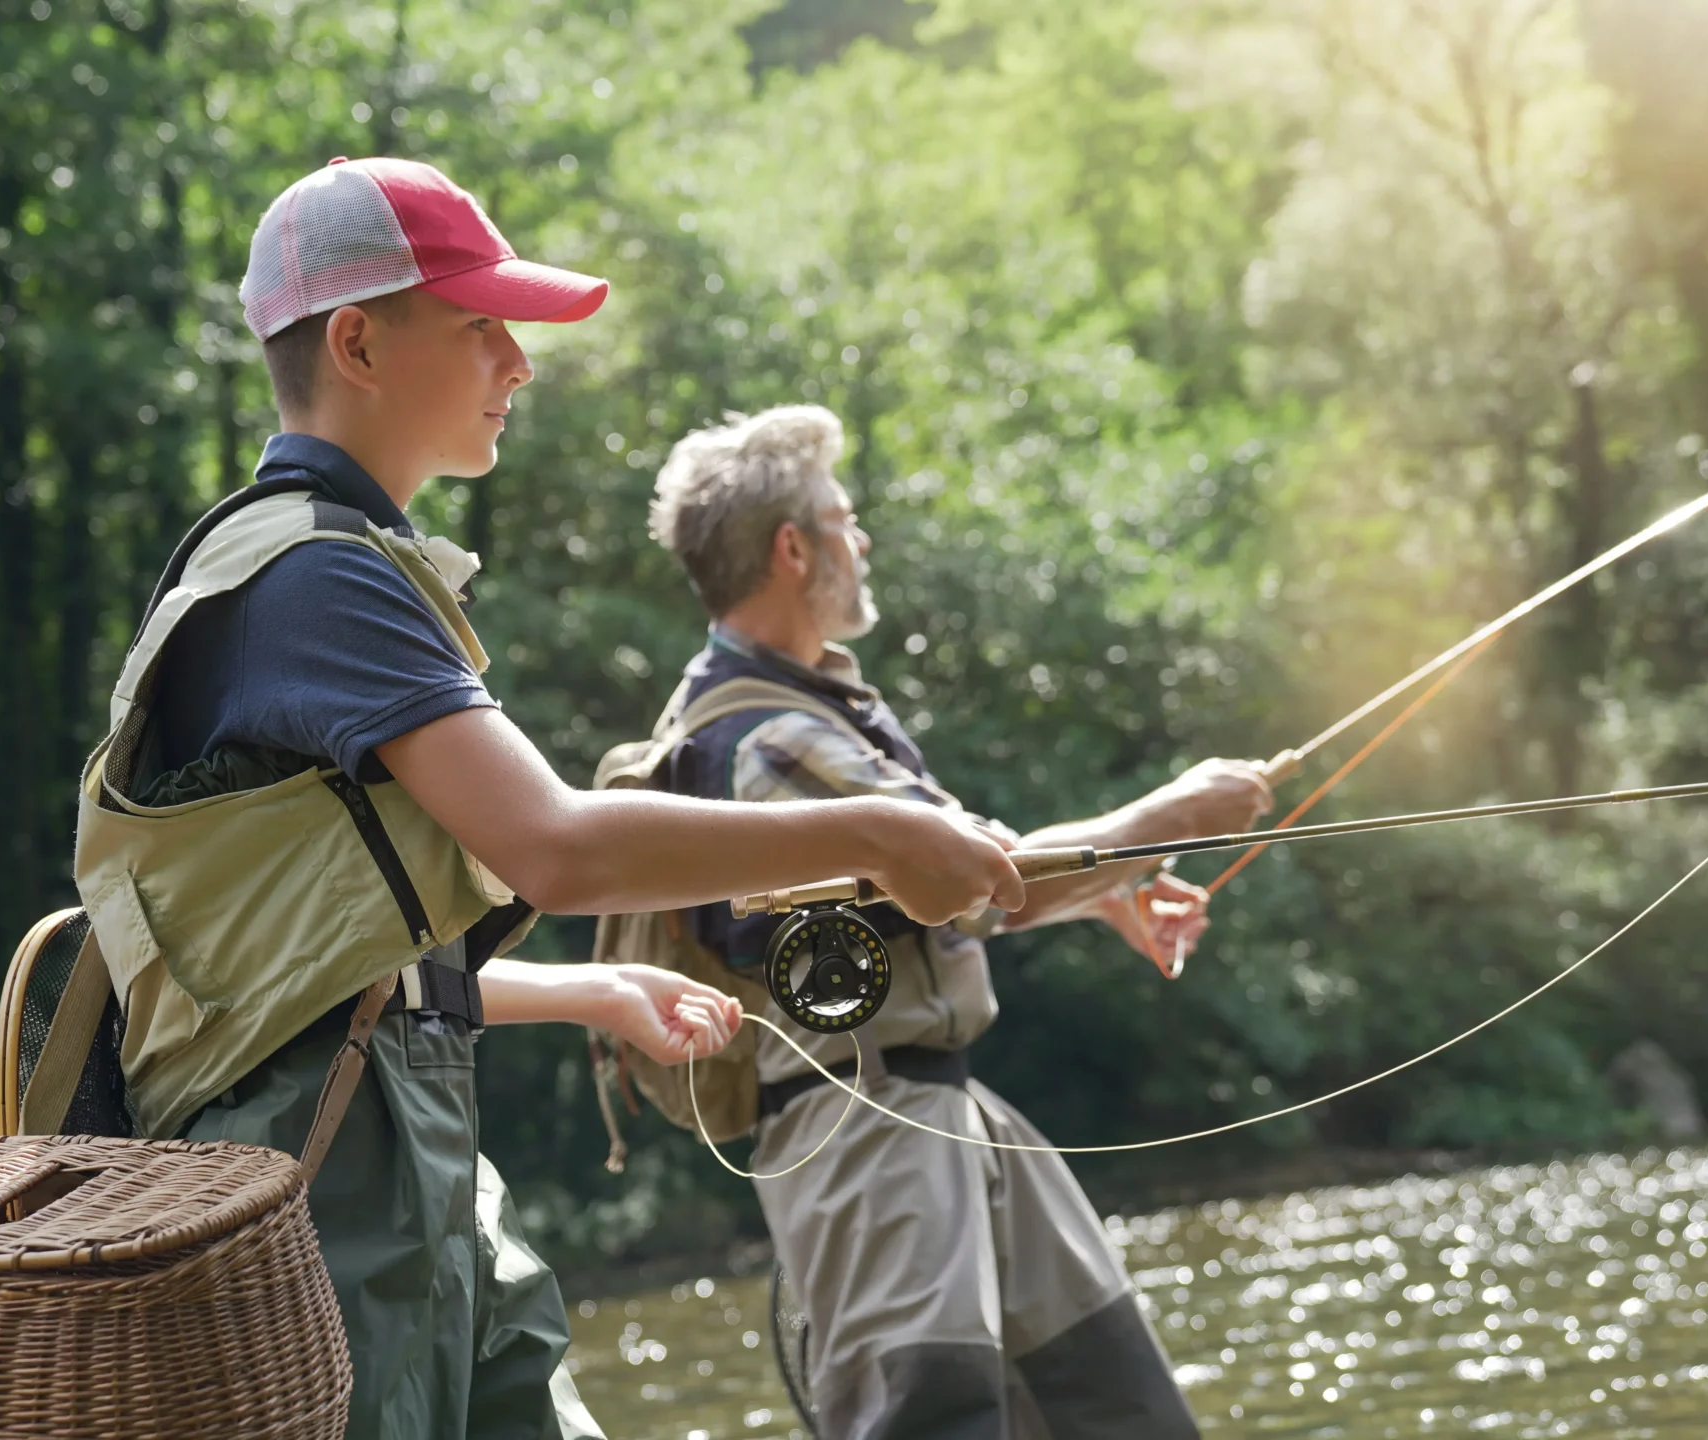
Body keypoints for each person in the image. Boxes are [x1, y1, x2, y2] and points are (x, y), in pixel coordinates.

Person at [70, 161, 1025, 1440]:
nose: (517, 362)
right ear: (357, 341)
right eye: (480, 327)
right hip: (313, 1174)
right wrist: (880, 832)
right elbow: (559, 849)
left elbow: (311, 965)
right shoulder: (312, 578)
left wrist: (581, 987)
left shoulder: (333, 563)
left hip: (393, 1134)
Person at [642, 405, 1274, 1439]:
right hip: (870, 1137)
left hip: (948, 1114)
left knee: (1119, 1410)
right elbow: (984, 875)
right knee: (929, 1421)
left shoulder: (803, 713)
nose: (865, 538)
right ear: (791, 550)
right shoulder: (773, 741)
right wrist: (1171, 817)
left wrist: (1107, 885)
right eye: (845, 519)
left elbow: (959, 886)